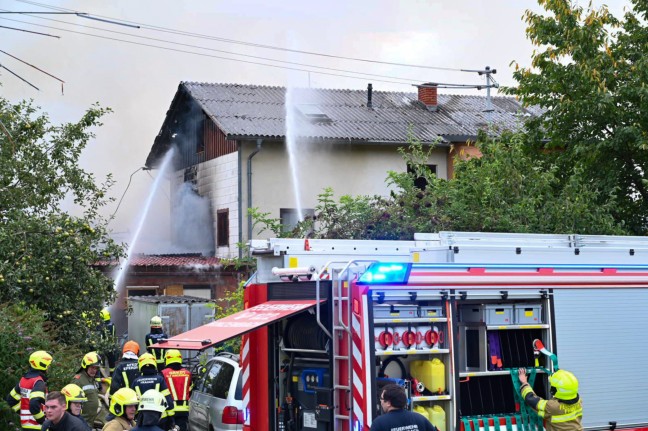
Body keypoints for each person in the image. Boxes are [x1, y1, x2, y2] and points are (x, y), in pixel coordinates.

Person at [518, 368, 583, 431]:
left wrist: (524, 383)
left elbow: (531, 399)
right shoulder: (579, 401)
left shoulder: (552, 407)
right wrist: (559, 374)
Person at [5, 350, 53, 430]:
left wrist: (22, 413)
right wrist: (43, 421)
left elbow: (10, 400)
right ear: (42, 364)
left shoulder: (23, 380)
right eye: (48, 365)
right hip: (38, 427)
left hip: (26, 426)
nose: (49, 367)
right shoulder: (38, 382)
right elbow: (34, 404)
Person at [131, 353, 175, 430]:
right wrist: (171, 419)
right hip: (160, 418)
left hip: (142, 418)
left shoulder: (136, 381)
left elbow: (132, 401)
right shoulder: (160, 379)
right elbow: (168, 400)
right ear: (154, 364)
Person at [370, 383, 437, 431]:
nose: (380, 401)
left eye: (381, 398)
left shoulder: (379, 423)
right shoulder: (420, 419)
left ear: (388, 403)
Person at [71, 351, 105, 427]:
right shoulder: (78, 380)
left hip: (90, 422)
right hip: (81, 423)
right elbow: (72, 402)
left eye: (96, 368)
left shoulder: (92, 379)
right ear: (85, 366)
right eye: (92, 367)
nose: (94, 370)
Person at [161, 350, 192, 431]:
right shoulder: (187, 373)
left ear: (167, 359)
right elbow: (190, 389)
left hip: (169, 410)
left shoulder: (164, 373)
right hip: (183, 410)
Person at [98, 308, 118, 373]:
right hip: (112, 346)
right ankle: (112, 375)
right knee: (112, 363)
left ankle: (102, 375)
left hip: (103, 347)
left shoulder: (102, 326)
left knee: (102, 362)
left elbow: (101, 337)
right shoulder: (112, 324)